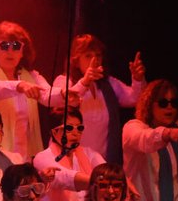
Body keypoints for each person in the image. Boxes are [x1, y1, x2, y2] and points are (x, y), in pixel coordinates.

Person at [49, 34, 146, 167]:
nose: (95, 60)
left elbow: (134, 99)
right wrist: (85, 82)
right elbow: (64, 101)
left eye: (98, 55)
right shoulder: (64, 82)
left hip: (102, 163)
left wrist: (138, 79)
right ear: (76, 60)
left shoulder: (108, 84)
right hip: (72, 162)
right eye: (88, 56)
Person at [0, 21, 53, 160]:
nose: (10, 51)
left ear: (22, 52)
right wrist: (19, 86)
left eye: (16, 46)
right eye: (4, 45)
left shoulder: (31, 76)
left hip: (22, 156)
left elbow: (48, 95)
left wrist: (75, 89)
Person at [33, 105, 104, 201]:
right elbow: (63, 177)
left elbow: (105, 169)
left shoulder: (88, 154)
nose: (75, 133)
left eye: (79, 128)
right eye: (69, 128)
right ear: (54, 131)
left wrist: (121, 179)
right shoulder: (42, 157)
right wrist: (98, 182)